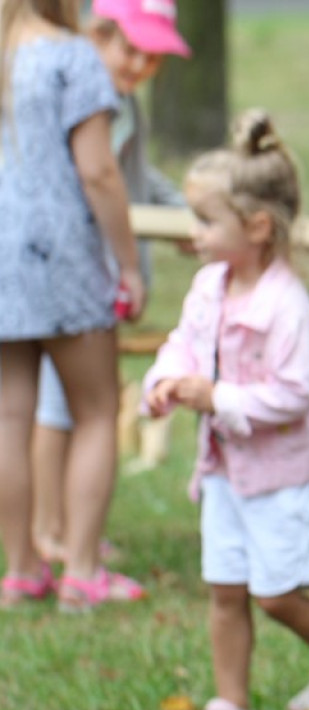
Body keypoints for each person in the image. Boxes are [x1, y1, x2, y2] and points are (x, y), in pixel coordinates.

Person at [141, 110, 309, 710]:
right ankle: (231, 703)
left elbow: (296, 393)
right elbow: (183, 344)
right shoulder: (209, 285)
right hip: (225, 470)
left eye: (205, 220)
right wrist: (164, 382)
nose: (194, 232)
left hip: (284, 476)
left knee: (279, 596)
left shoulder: (287, 307)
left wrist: (216, 396)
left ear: (258, 226)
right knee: (225, 587)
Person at [32, 0, 192, 569]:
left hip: (86, 275)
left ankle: (68, 533)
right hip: (76, 273)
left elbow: (133, 176)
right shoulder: (84, 91)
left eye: (154, 57)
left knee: (72, 408)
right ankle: (51, 533)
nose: (141, 64)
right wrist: (124, 264)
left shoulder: (119, 100)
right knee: (60, 409)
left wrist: (183, 211)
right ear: (98, 33)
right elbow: (95, 175)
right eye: (131, 49)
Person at [0, 0, 147, 611]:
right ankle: (83, 571)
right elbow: (99, 172)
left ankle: (20, 569)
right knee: (95, 410)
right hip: (62, 255)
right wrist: (128, 263)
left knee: (9, 417)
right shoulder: (72, 58)